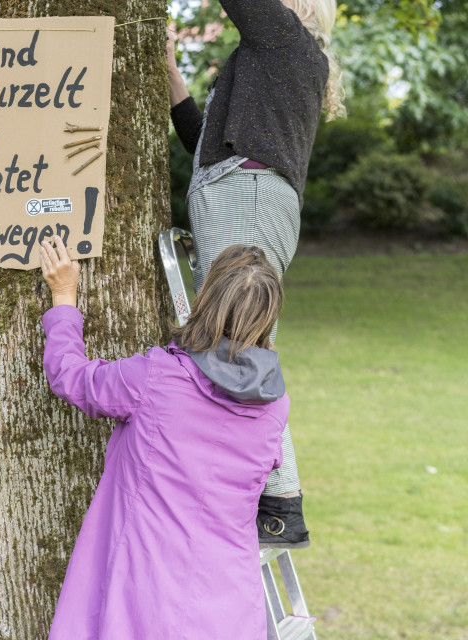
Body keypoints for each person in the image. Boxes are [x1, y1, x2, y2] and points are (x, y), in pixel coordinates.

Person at [41, 237, 289, 640]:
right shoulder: (276, 407)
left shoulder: (155, 376)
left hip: (147, 587)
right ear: (267, 318)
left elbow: (72, 377)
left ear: (206, 299)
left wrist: (65, 295)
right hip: (229, 601)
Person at [167, 0, 346, 548]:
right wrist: (170, 70)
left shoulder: (284, 36)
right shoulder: (279, 57)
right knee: (239, 344)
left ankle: (280, 502)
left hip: (246, 199)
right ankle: (271, 495)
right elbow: (203, 139)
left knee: (240, 347)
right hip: (245, 197)